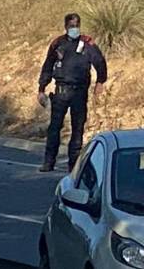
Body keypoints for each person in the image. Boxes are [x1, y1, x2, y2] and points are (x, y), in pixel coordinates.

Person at [37, 13, 108, 172]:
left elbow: (99, 61)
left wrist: (100, 81)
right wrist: (41, 88)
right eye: (71, 26)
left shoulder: (87, 44)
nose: (73, 29)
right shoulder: (58, 44)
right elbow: (48, 66)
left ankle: (73, 166)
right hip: (61, 92)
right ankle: (49, 162)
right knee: (55, 127)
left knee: (78, 129)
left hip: (79, 92)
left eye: (76, 26)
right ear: (65, 27)